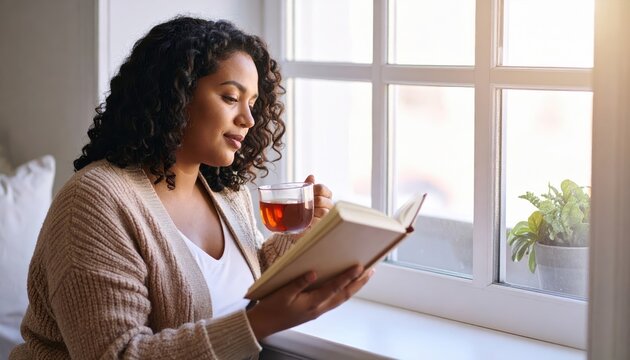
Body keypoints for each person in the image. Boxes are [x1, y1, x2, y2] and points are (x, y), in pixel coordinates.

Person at [10, 16, 372, 359]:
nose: (247, 120)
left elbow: (243, 286)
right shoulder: (95, 201)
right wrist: (265, 321)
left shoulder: (227, 195)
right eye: (231, 98)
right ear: (174, 96)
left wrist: (299, 238)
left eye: (253, 104)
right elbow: (117, 353)